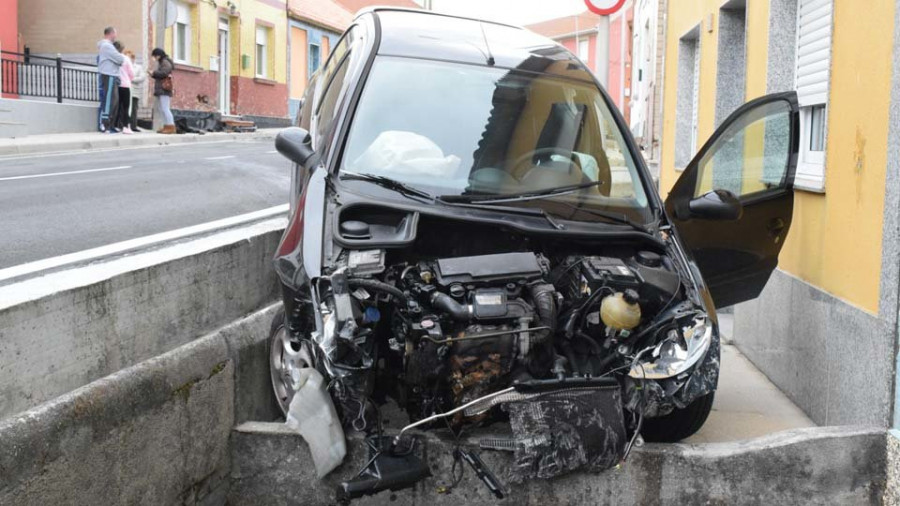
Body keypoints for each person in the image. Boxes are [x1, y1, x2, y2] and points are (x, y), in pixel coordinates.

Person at [97, 26, 124, 133]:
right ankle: (105, 124)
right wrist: (118, 59)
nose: (116, 36)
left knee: (114, 100)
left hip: (112, 75)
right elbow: (120, 59)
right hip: (108, 75)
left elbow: (119, 59)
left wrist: (118, 60)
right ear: (110, 33)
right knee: (110, 101)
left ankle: (110, 124)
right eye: (115, 33)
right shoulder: (107, 46)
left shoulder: (109, 46)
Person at [150, 48, 176, 134]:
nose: (154, 58)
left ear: (158, 55)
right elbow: (161, 74)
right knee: (161, 108)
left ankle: (171, 126)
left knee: (165, 108)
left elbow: (164, 73)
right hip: (161, 88)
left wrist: (154, 73)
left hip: (164, 88)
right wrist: (153, 74)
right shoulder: (163, 62)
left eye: (155, 56)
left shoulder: (165, 62)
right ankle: (166, 126)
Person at [113, 41, 134, 134]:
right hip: (125, 85)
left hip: (115, 85)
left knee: (117, 106)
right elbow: (131, 73)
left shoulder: (112, 58)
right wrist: (129, 79)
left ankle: (115, 126)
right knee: (126, 107)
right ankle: (126, 126)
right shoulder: (126, 59)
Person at [128, 50, 147, 132]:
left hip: (134, 90)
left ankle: (133, 126)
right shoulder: (124, 66)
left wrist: (132, 79)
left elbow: (142, 77)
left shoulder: (138, 67)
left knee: (134, 108)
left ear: (133, 58)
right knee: (124, 108)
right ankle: (123, 125)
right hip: (125, 89)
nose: (128, 59)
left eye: (129, 58)